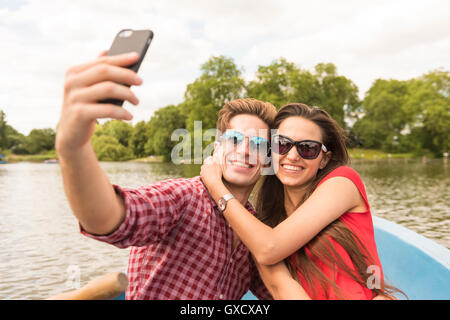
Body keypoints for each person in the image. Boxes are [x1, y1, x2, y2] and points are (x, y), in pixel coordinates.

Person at [55, 50, 278, 299]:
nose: (245, 151)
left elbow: (275, 290)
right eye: (234, 139)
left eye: (258, 144)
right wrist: (73, 148)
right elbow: (111, 219)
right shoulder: (184, 196)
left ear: (267, 158)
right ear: (217, 148)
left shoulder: (254, 226)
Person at [201, 103, 403, 300]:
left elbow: (269, 248)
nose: (292, 155)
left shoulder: (343, 182)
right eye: (282, 144)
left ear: (324, 159)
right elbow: (281, 286)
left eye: (307, 148)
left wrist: (216, 186)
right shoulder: (265, 224)